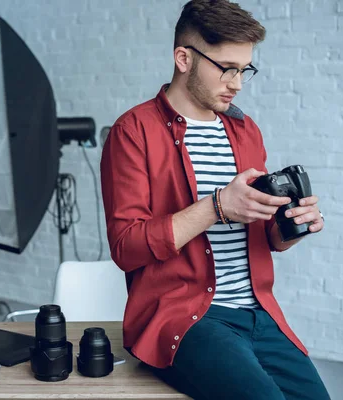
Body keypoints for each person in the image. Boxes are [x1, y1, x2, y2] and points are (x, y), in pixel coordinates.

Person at [100, 1, 330, 399]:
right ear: (184, 58)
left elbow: (263, 237)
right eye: (226, 68)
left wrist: (291, 227)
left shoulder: (246, 131)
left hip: (259, 312)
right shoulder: (132, 131)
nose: (237, 82)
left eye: (244, 70)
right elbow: (126, 248)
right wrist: (216, 207)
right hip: (187, 319)